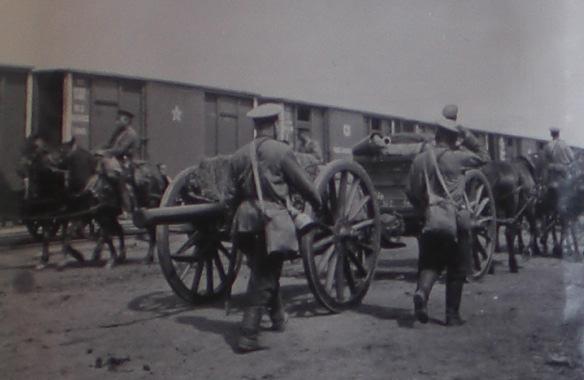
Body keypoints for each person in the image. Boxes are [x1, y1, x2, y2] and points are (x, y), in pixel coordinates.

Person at [224, 103, 322, 352]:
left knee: (262, 268)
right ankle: (248, 334)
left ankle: (278, 318)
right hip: (271, 222)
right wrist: (319, 204)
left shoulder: (239, 155)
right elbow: (304, 186)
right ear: (276, 124)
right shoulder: (281, 151)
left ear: (256, 126)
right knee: (264, 275)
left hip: (245, 222)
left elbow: (229, 197)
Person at [406, 106, 487, 326]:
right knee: (457, 267)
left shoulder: (420, 159)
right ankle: (452, 315)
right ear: (453, 138)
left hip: (430, 219)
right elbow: (484, 156)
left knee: (430, 263)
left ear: (437, 135)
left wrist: (425, 208)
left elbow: (411, 192)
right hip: (455, 221)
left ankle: (422, 293)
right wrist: (467, 134)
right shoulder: (458, 158)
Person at [99, 109, 140, 212]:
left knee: (120, 181)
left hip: (128, 163)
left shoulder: (131, 134)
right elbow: (109, 144)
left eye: (119, 119)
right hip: (118, 161)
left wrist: (106, 152)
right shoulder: (120, 132)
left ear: (126, 120)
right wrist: (97, 150)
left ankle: (127, 209)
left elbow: (121, 150)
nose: (117, 121)